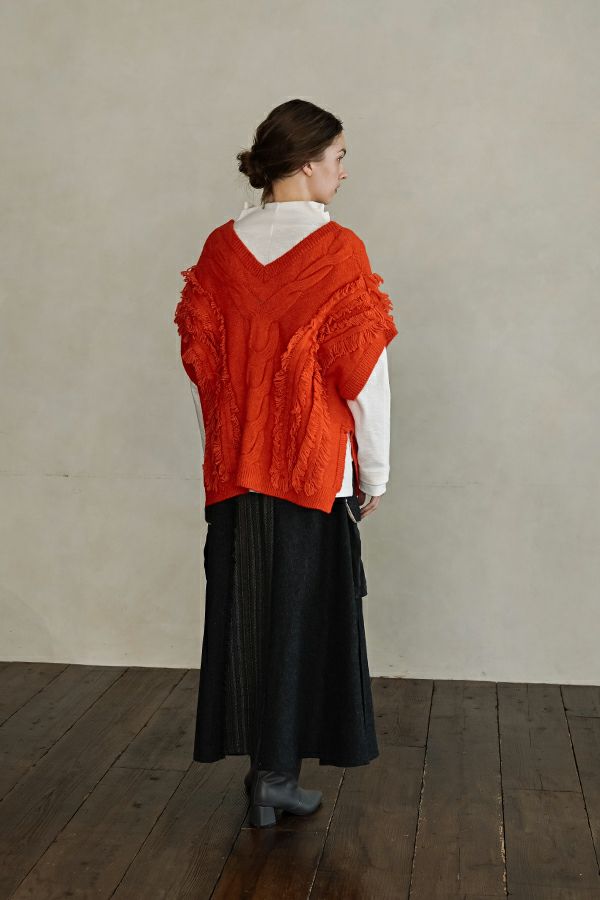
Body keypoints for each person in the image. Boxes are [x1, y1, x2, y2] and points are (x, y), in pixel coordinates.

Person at [174, 98, 398, 828]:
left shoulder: (220, 250)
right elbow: (364, 375)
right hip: (311, 470)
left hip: (235, 473)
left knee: (248, 615)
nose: (344, 172)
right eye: (338, 157)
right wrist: (373, 472)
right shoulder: (338, 252)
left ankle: (264, 777)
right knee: (305, 620)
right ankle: (275, 779)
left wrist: (227, 447)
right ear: (305, 163)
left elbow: (202, 368)